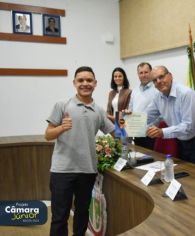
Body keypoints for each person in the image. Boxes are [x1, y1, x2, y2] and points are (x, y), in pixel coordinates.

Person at [45, 66, 115, 236]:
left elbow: (115, 133)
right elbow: (47, 134)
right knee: (60, 217)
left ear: (95, 83)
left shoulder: (98, 110)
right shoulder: (62, 105)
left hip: (88, 171)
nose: (85, 83)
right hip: (62, 171)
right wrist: (61, 127)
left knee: (82, 215)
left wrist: (128, 125)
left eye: (89, 80)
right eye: (81, 80)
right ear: (74, 83)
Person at [146, 65, 195, 168]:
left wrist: (162, 132)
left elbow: (187, 126)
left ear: (170, 76)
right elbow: (147, 116)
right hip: (180, 140)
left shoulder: (186, 94)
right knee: (185, 172)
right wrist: (128, 118)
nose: (158, 81)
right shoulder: (158, 97)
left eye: (161, 77)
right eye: (154, 80)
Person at [128, 62, 158, 150]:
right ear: (138, 75)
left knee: (153, 160)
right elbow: (130, 109)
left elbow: (161, 113)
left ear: (151, 72)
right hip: (137, 134)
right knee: (139, 158)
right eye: (141, 73)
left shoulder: (157, 89)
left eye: (146, 72)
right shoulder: (135, 90)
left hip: (152, 134)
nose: (143, 75)